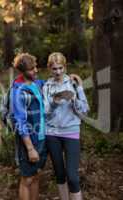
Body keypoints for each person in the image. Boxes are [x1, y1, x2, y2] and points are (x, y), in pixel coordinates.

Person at [43, 52, 89, 200]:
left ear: (65, 67)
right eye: (54, 69)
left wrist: (76, 95)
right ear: (49, 68)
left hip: (71, 131)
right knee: (60, 174)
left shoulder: (73, 83)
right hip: (52, 132)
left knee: (73, 177)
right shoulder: (47, 86)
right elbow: (45, 113)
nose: (58, 72)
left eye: (60, 68)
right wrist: (54, 103)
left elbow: (85, 110)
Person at [9, 53, 47, 200]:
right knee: (27, 179)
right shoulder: (18, 91)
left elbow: (53, 83)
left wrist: (73, 78)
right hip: (29, 141)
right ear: (23, 71)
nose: (36, 70)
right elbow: (20, 122)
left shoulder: (37, 84)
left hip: (41, 137)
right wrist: (30, 149)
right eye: (32, 69)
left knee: (36, 175)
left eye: (35, 67)